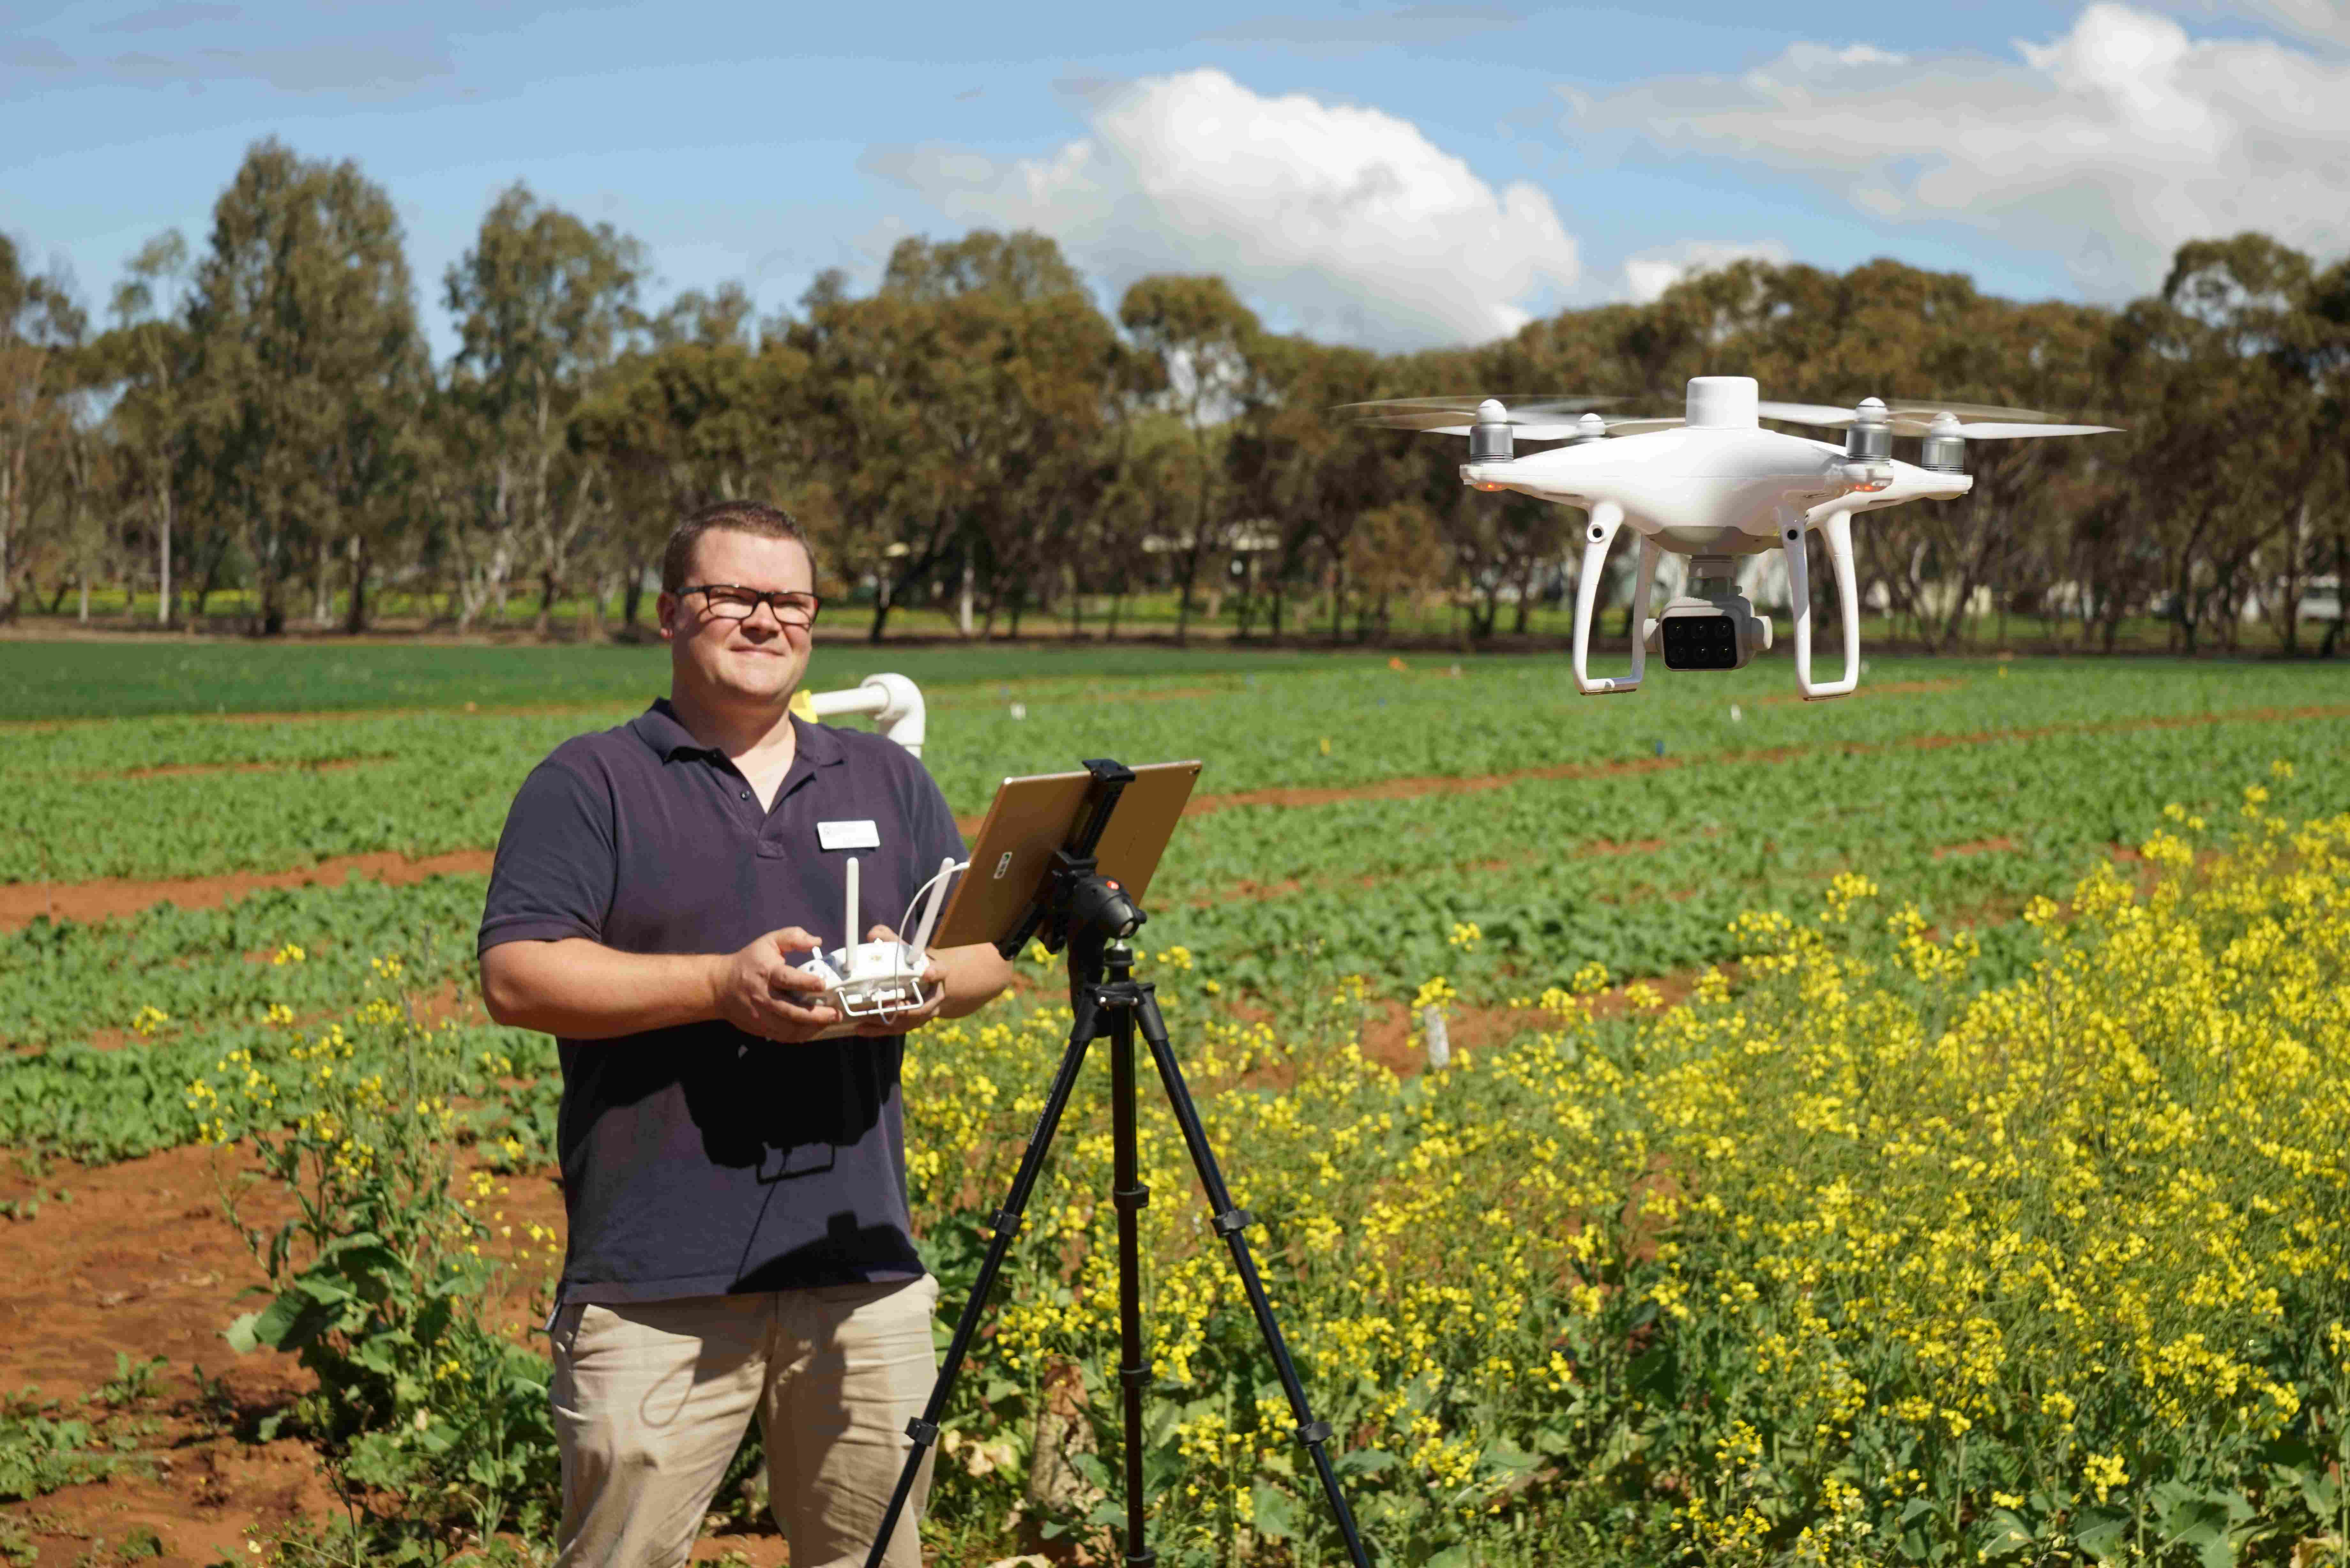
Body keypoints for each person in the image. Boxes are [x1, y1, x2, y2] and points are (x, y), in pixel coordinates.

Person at [478, 499, 1015, 1568]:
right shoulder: (593, 784)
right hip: (655, 1282)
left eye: (792, 603)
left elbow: (987, 953)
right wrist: (721, 986)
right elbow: (518, 974)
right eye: (734, 597)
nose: (766, 621)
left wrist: (919, 983)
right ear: (672, 614)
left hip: (861, 1266)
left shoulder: (885, 779)